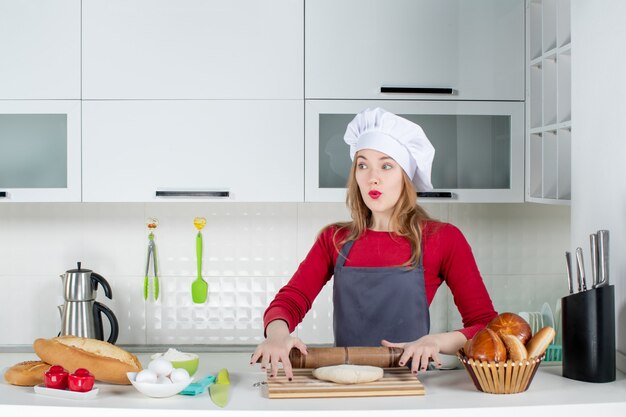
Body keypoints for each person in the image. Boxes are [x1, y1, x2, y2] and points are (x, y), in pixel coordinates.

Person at [251, 107, 497, 380]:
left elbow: (486, 325)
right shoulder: (334, 239)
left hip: (411, 385)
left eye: (386, 165)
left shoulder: (442, 239)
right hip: (346, 381)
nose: (372, 178)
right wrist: (277, 336)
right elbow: (290, 300)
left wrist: (435, 342)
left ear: (406, 176)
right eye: (363, 165)